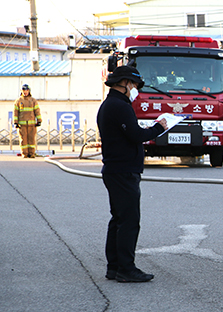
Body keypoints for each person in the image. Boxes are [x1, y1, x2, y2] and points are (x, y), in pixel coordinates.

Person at [97, 65, 168, 283]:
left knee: (118, 219)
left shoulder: (112, 104)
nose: (135, 89)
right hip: (123, 171)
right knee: (128, 221)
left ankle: (114, 267)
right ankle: (126, 269)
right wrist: (159, 128)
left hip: (117, 170)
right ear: (126, 83)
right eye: (134, 85)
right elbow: (136, 135)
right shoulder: (119, 106)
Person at [13, 84, 42, 158]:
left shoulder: (33, 100)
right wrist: (15, 122)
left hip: (31, 124)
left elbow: (37, 111)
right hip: (22, 124)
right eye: (24, 91)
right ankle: (24, 153)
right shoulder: (18, 101)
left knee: (31, 139)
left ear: (29, 91)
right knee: (24, 140)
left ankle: (32, 153)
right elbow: (15, 112)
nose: (25, 92)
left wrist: (39, 120)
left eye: (26, 91)